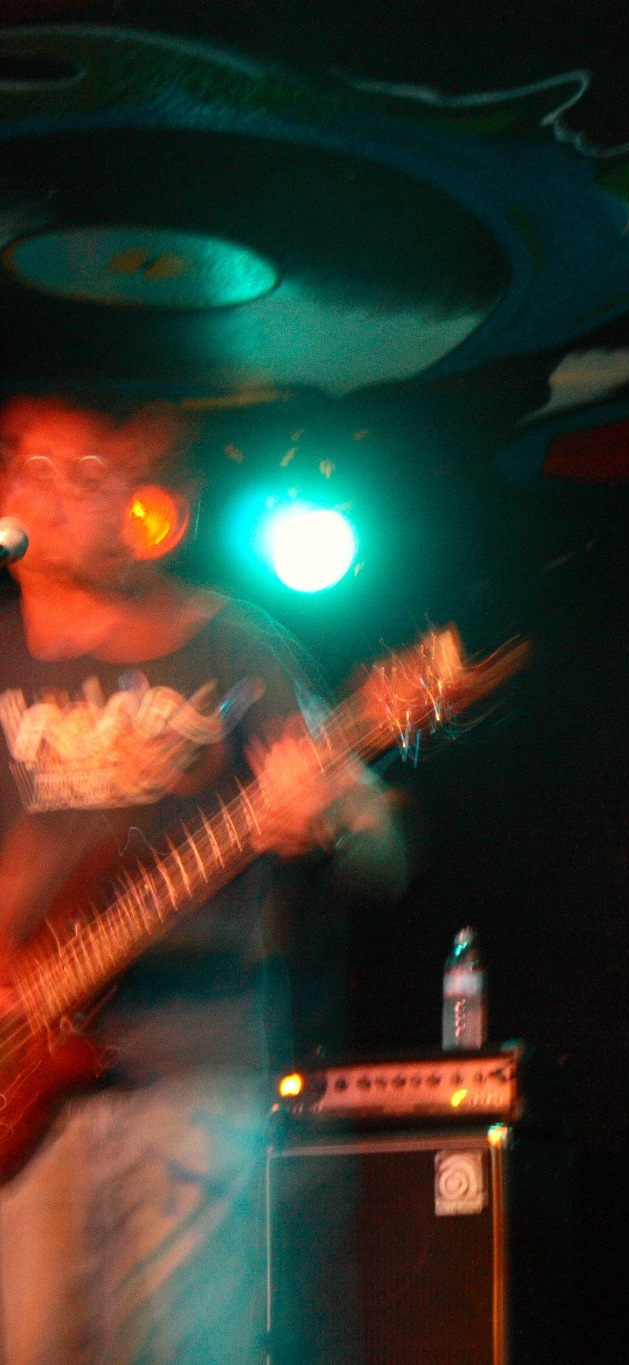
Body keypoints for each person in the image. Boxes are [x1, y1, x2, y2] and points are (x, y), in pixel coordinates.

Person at [0, 396, 407, 1365]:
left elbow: (384, 855)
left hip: (199, 1074)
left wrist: (335, 814)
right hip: (25, 1079)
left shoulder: (230, 642)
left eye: (89, 471)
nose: (60, 496)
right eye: (37, 469)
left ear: (136, 497)